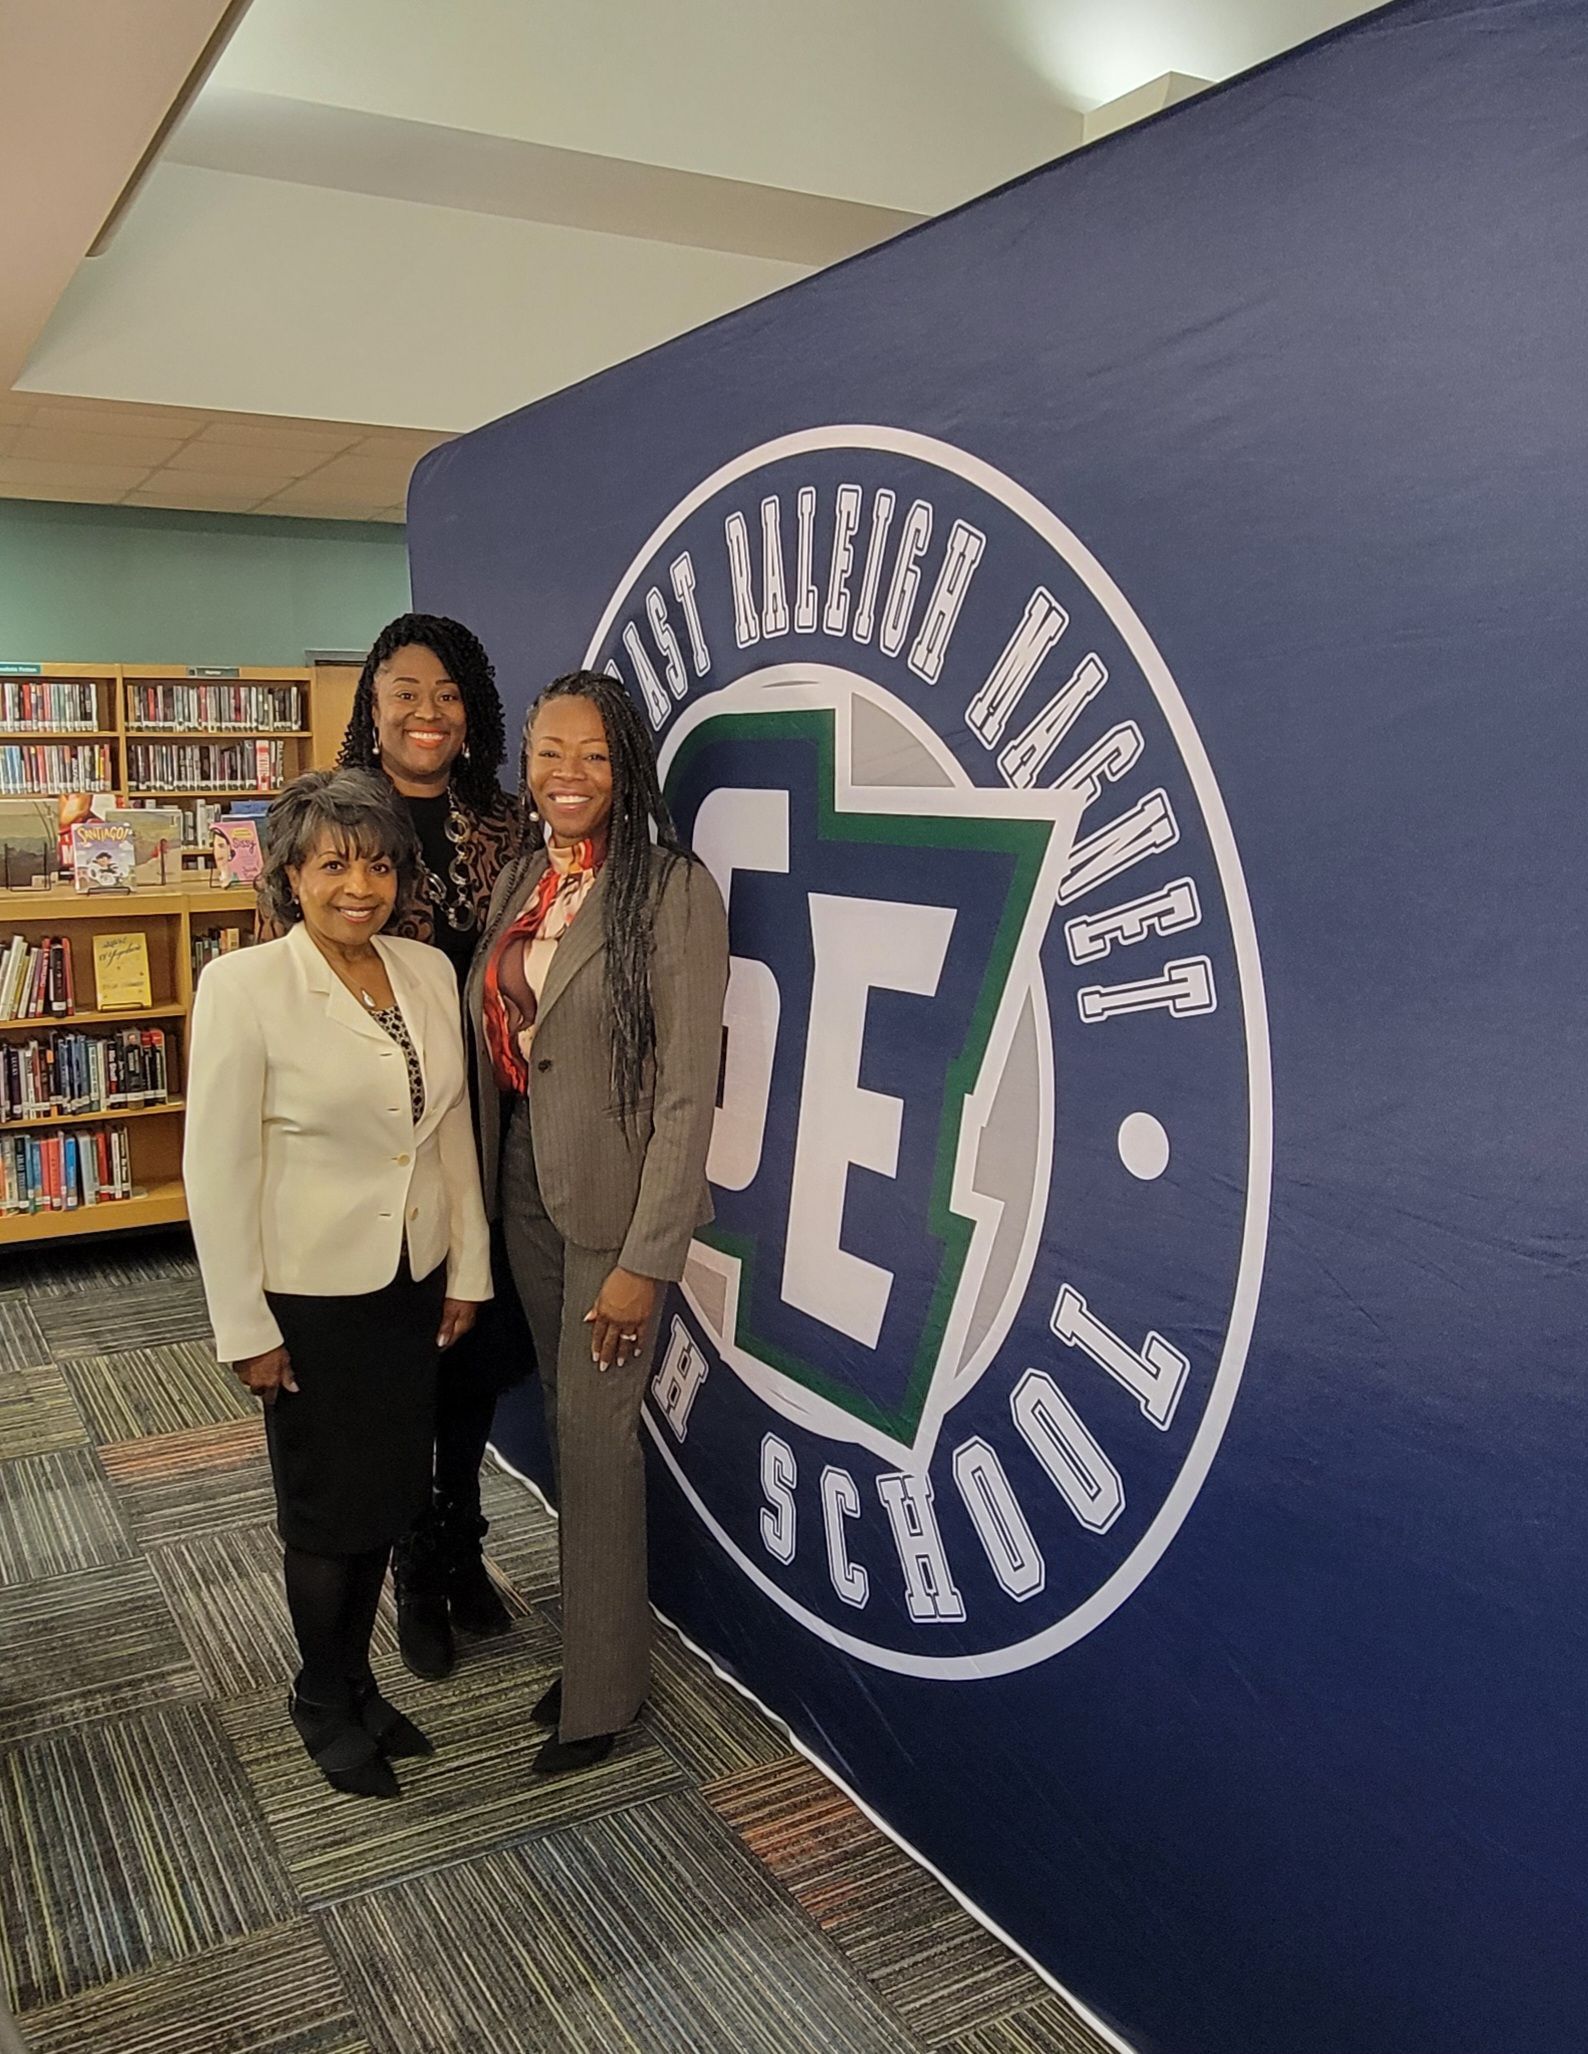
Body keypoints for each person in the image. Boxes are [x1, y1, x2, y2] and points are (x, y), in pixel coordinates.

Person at [186, 769, 492, 1799]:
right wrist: (244, 1323)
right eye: (332, 863)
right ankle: (319, 1693)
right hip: (309, 1296)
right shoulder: (245, 986)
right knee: (326, 1511)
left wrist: (468, 1267)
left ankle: (358, 1677)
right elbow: (215, 1166)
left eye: (377, 861)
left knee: (390, 1496)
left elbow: (447, 1128)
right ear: (288, 875)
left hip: (410, 1275)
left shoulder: (416, 966)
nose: (358, 883)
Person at [466, 670, 728, 1776]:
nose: (565, 776)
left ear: (626, 771)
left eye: (592, 757)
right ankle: (589, 1653)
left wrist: (644, 1261)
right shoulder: (525, 876)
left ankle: (604, 1697)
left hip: (614, 1210)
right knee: (572, 1426)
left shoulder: (670, 890)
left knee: (597, 1438)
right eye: (547, 754)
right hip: (524, 1175)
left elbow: (686, 1090)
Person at [323, 614, 526, 1678]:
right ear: (372, 699)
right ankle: (414, 1568)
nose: (426, 712)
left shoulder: (503, 821)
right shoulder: (334, 820)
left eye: (447, 691)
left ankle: (462, 1546)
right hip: (378, 1137)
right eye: (404, 689)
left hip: (486, 1121)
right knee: (405, 1354)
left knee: (475, 1351)